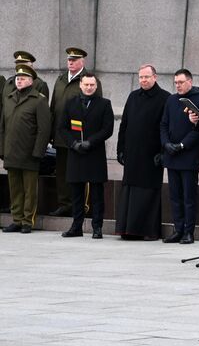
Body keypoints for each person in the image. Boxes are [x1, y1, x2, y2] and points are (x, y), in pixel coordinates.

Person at [115, 64, 170, 241]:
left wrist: (163, 152)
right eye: (141, 77)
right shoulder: (133, 96)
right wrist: (120, 149)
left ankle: (147, 231)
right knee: (130, 190)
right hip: (132, 153)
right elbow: (124, 125)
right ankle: (128, 229)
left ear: (155, 77)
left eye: (146, 77)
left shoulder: (165, 98)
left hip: (151, 154)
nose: (143, 80)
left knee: (147, 192)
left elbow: (166, 127)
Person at [49, 47, 102, 217]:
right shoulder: (61, 79)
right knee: (62, 171)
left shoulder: (89, 80)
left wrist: (88, 138)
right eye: (69, 60)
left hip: (79, 137)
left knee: (80, 172)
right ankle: (65, 204)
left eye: (74, 60)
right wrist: (51, 133)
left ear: (82, 62)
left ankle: (81, 206)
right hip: (61, 134)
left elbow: (96, 108)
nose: (70, 62)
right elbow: (53, 107)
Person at [60, 73, 114, 238]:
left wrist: (90, 142)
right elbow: (62, 128)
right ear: (80, 85)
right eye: (86, 84)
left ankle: (97, 227)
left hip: (95, 153)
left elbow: (107, 129)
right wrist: (73, 143)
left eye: (92, 85)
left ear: (96, 86)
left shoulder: (105, 104)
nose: (89, 87)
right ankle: (76, 227)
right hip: (76, 154)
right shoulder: (70, 103)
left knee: (97, 193)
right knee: (76, 193)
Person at [160, 69, 199, 244]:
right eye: (176, 83)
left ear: (190, 81)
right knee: (175, 196)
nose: (178, 85)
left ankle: (189, 231)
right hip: (172, 154)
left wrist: (182, 145)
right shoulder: (171, 100)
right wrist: (166, 144)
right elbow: (164, 124)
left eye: (181, 82)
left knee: (189, 196)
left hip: (188, 156)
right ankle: (178, 229)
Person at [0, 65, 51, 233]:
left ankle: (27, 221)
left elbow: (44, 129)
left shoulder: (39, 100)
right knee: (15, 188)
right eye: (17, 78)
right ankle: (17, 219)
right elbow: (2, 127)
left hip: (29, 153)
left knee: (29, 190)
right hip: (11, 152)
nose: (19, 80)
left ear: (31, 81)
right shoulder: (8, 98)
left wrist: (38, 152)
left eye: (23, 78)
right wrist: (2, 149)